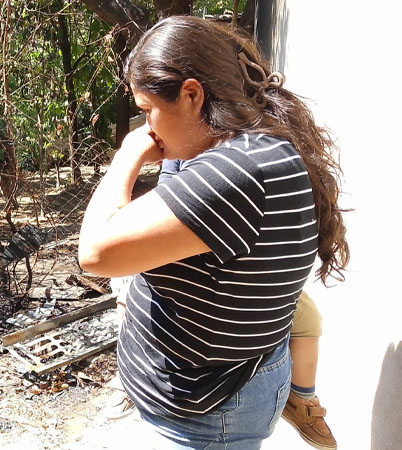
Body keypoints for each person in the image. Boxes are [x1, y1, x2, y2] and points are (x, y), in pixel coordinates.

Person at [78, 15, 348, 450]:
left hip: (209, 415)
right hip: (215, 392)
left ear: (191, 94)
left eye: (148, 111)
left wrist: (127, 156)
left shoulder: (236, 172)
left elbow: (95, 253)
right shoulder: (234, 142)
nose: (147, 128)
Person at [159, 159, 338, 449]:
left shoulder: (265, 157)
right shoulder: (192, 158)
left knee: (308, 320)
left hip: (257, 274)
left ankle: (302, 401)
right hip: (208, 280)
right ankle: (127, 382)